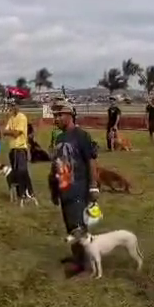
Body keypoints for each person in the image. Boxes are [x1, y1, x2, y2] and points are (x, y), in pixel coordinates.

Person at [48, 103, 99, 278]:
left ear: (70, 115)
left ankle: (85, 265)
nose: (56, 118)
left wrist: (93, 186)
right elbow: (57, 164)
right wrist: (54, 190)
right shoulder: (60, 137)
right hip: (64, 188)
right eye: (55, 115)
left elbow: (91, 161)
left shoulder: (82, 135)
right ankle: (77, 256)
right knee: (70, 226)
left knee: (79, 227)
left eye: (59, 115)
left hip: (78, 188)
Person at [3, 102, 35, 202]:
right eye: (11, 105)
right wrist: (11, 132)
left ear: (18, 106)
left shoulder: (22, 117)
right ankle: (20, 193)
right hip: (12, 148)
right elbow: (4, 131)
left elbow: (16, 134)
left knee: (22, 171)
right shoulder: (11, 118)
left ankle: (29, 192)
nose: (12, 107)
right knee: (16, 172)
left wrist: (11, 132)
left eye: (14, 105)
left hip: (20, 148)